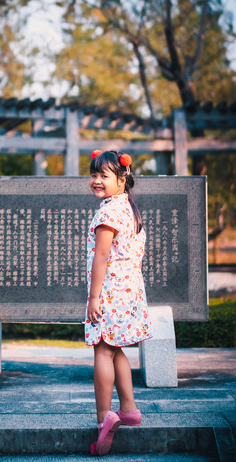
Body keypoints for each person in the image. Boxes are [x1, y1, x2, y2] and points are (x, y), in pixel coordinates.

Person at [85, 149, 152, 457]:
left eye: (104, 176)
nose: (97, 180)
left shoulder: (108, 213)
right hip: (130, 292)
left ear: (122, 179)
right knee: (115, 348)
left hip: (110, 291)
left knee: (102, 347)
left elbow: (102, 256)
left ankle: (104, 418)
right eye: (94, 174)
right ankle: (129, 409)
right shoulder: (127, 208)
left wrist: (94, 297)